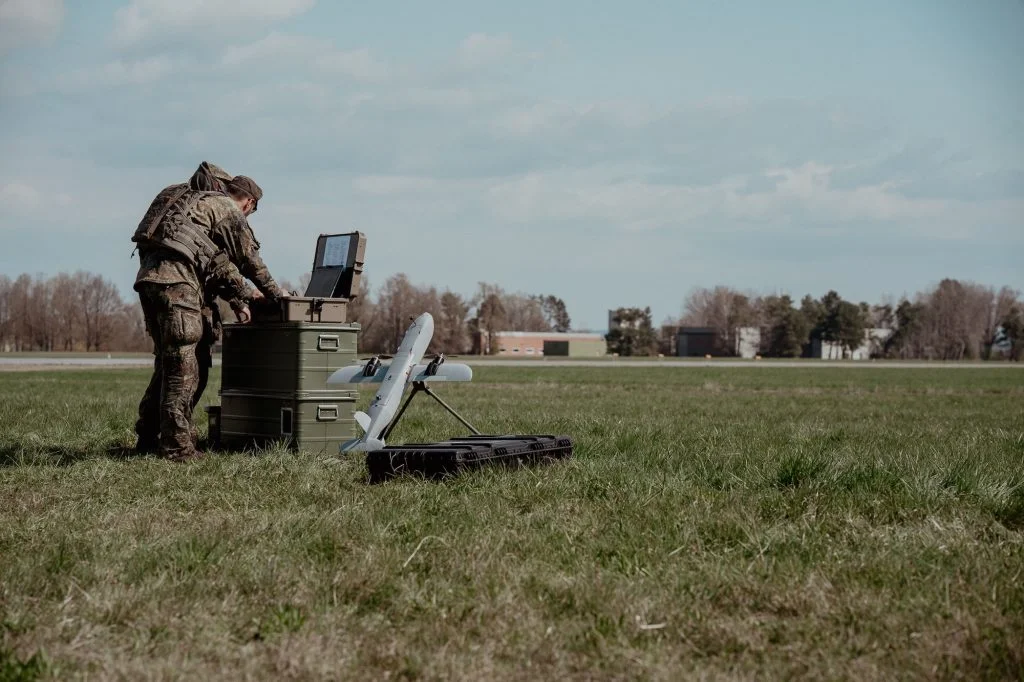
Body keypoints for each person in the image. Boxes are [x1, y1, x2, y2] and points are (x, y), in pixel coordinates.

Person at [132, 166, 285, 462]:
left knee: (172, 361)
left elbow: (210, 260)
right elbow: (248, 259)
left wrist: (239, 297)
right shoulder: (224, 206)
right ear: (249, 203)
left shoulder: (181, 201)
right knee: (184, 366)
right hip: (178, 283)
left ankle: (149, 436)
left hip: (150, 282)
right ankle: (177, 448)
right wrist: (276, 296)